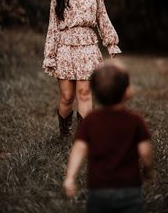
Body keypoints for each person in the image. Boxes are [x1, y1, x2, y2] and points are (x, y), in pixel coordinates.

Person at [42, 0, 121, 138]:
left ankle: (85, 135)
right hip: (65, 48)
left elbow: (102, 16)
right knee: (67, 97)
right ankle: (64, 133)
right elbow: (53, 28)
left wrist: (111, 43)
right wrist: (50, 55)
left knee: (85, 93)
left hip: (88, 47)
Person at [63, 60, 154, 213]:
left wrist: (70, 177)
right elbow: (145, 151)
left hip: (99, 189)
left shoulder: (90, 121)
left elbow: (79, 149)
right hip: (130, 189)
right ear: (127, 92)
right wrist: (148, 170)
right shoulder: (135, 120)